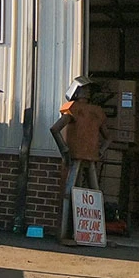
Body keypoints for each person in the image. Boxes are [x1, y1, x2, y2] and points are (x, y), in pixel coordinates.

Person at [50, 76, 111, 243]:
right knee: (76, 193)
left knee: (95, 195)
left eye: (89, 89)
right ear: (76, 91)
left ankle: (95, 236)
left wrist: (101, 150)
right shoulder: (73, 108)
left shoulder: (96, 111)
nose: (88, 91)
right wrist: (65, 149)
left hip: (89, 155)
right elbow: (55, 128)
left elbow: (108, 137)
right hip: (78, 155)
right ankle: (65, 233)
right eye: (85, 89)